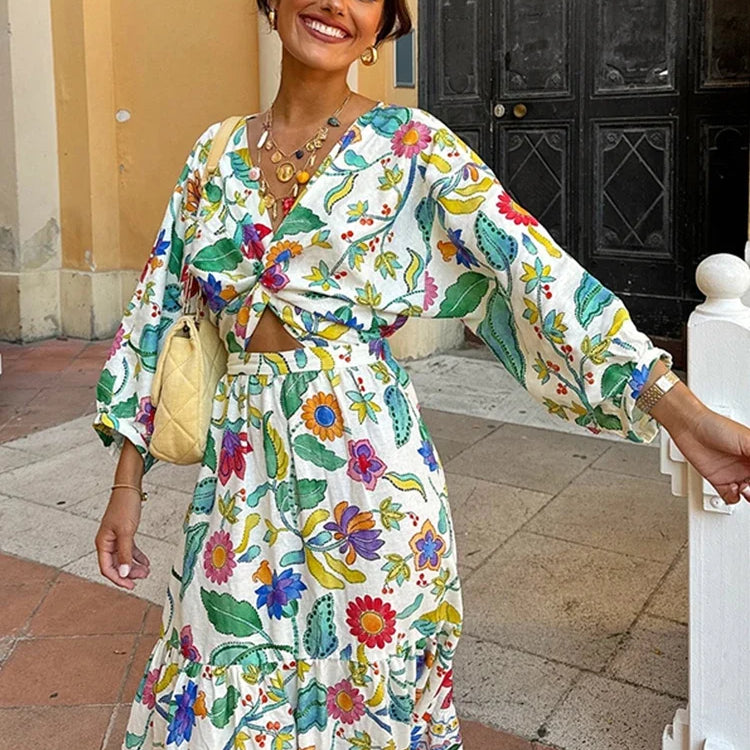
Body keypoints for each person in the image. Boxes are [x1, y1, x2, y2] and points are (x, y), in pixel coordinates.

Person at [91, 1, 750, 748]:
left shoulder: (413, 146)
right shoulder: (212, 156)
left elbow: (534, 274)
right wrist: (126, 483)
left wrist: (678, 409)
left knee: (369, 698)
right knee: (225, 682)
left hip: (369, 475)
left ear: (383, 26)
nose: (334, 2)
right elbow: (158, 314)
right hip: (240, 479)